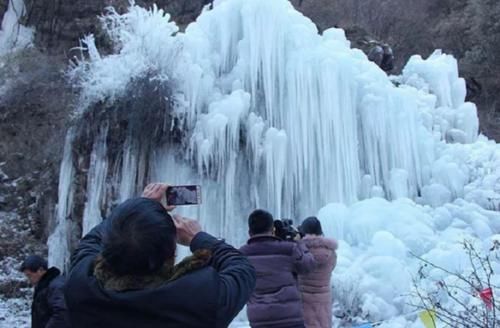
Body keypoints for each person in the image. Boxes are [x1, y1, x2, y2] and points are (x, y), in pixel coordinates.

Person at [64, 183, 256, 328]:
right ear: (171, 253)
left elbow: (90, 243)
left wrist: (140, 211)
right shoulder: (200, 300)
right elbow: (242, 268)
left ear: (107, 250)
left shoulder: (81, 289)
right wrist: (197, 237)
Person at [240, 209, 316, 328]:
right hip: (290, 318)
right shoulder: (289, 249)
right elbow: (308, 266)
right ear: (273, 229)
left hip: (259, 319)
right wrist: (299, 243)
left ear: (250, 232)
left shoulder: (241, 255)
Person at [297, 217, 338, 328]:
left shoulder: (299, 251)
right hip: (324, 299)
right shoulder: (331, 252)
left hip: (303, 299)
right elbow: (332, 267)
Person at [20, 255, 70, 328]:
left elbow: (61, 314)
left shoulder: (55, 286)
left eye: (29, 275)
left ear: (40, 270)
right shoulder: (43, 286)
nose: (28, 279)